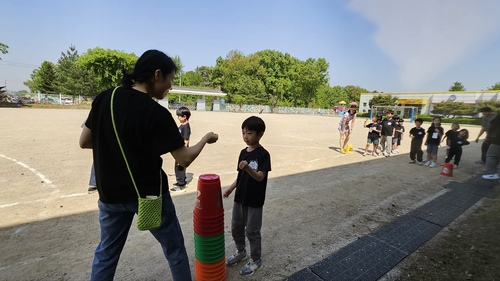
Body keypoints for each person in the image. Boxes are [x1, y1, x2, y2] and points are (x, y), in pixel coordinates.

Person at [79, 50, 218, 281]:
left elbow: (84, 141)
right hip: (148, 196)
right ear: (157, 74)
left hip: (110, 194)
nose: (170, 87)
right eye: (170, 80)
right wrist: (205, 139)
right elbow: (183, 158)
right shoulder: (156, 112)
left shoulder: (105, 98)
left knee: (106, 253)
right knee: (174, 250)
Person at [222, 116, 271, 276]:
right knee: (236, 227)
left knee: (252, 231)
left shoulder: (263, 154)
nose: (245, 136)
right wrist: (230, 189)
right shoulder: (243, 152)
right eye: (243, 132)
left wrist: (248, 168)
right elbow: (240, 176)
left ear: (260, 134)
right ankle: (241, 251)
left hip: (254, 200)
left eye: (249, 133)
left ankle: (256, 259)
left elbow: (260, 177)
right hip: (239, 198)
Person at [171, 106, 191, 192]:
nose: (178, 117)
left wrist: (183, 155)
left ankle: (181, 185)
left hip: (182, 151)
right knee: (178, 168)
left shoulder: (186, 127)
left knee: (179, 168)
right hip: (180, 151)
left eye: (179, 116)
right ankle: (182, 181)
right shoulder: (182, 125)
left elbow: (186, 141)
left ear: (184, 117)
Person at [482, 113, 500, 180]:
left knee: (491, 155)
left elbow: (493, 126)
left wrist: (488, 136)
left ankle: (492, 173)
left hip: (498, 141)